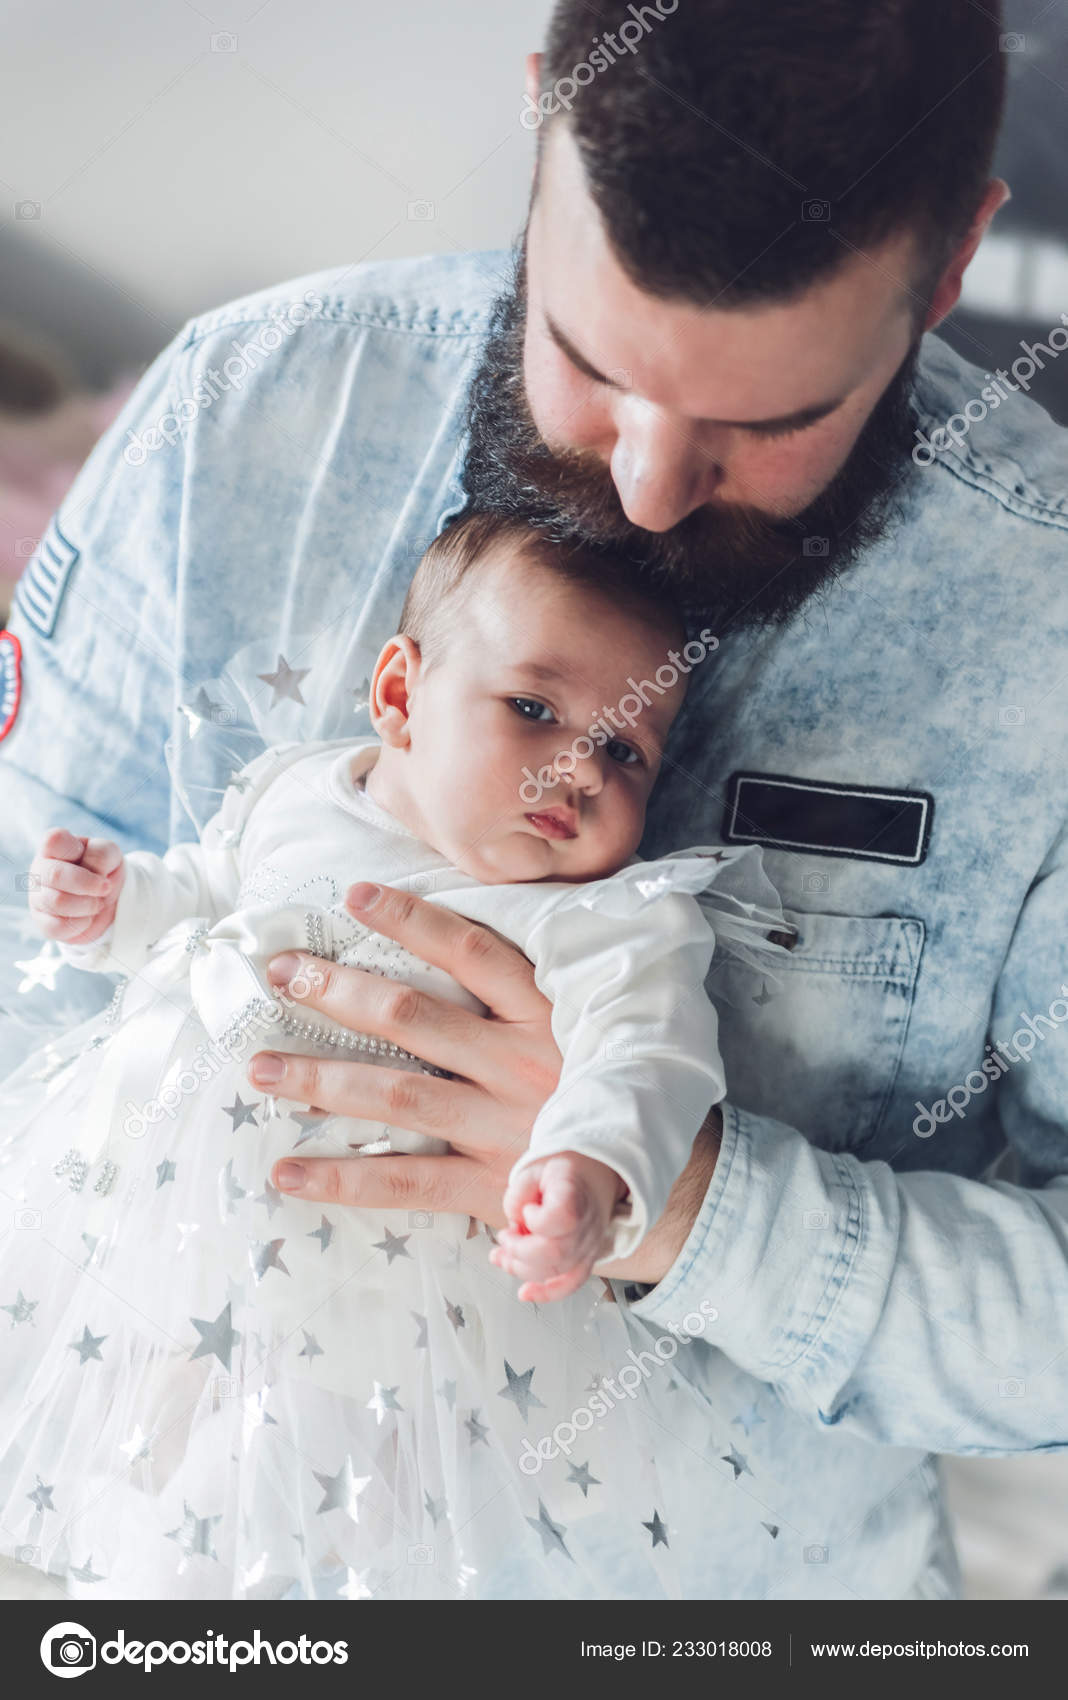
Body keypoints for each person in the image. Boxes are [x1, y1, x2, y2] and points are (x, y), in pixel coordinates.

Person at [2, 0, 1065, 1600]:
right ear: (535, 121)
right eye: (587, 358)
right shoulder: (244, 410)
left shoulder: (1045, 640)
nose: (645, 483)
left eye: (769, 421)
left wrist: (696, 1212)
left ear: (954, 259)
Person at [3, 512, 784, 1598]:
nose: (578, 768)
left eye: (624, 747)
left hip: (365, 1295)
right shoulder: (300, 787)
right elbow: (202, 905)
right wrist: (112, 902)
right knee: (104, 1417)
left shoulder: (605, 916)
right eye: (533, 709)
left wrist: (595, 1170)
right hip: (163, 1208)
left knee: (247, 1524)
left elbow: (646, 1057)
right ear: (401, 697)